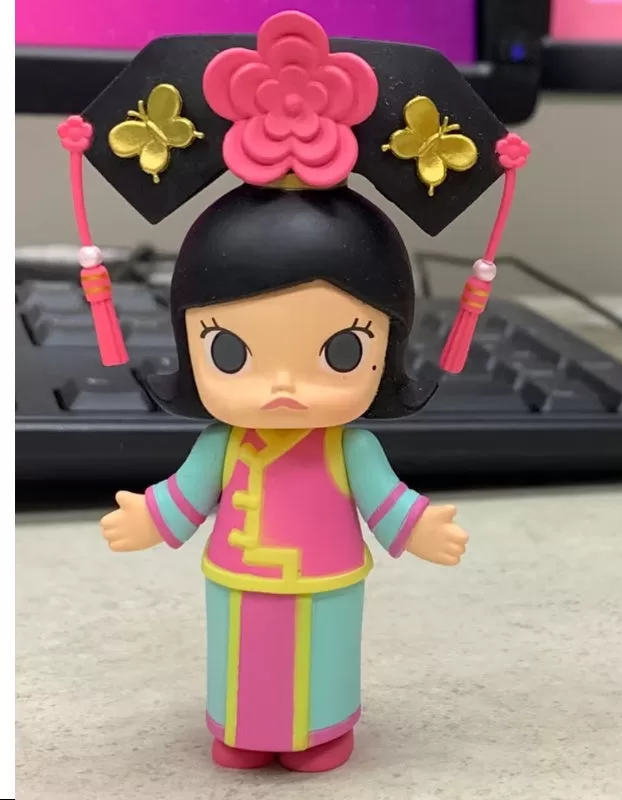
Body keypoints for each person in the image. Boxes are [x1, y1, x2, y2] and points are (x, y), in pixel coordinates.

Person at [57, 10, 527, 773]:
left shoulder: (352, 446)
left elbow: (384, 501)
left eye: (341, 351)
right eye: (230, 351)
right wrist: (151, 517)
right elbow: (186, 495)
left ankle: (323, 729)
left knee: (321, 663)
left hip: (325, 582)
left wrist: (418, 527)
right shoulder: (222, 443)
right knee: (243, 667)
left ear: (387, 348)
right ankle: (242, 729)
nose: (283, 386)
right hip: (239, 584)